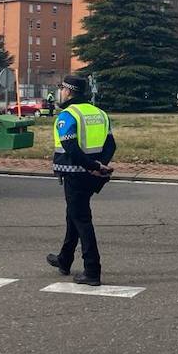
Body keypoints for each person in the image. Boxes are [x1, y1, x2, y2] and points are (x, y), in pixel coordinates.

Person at [46, 74, 116, 286]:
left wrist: (93, 167)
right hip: (93, 175)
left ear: (67, 91)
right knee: (73, 216)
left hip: (74, 173)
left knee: (82, 220)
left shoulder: (68, 115)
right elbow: (111, 145)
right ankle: (64, 259)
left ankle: (92, 271)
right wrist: (99, 166)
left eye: (62, 90)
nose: (61, 93)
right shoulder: (100, 114)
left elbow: (72, 149)